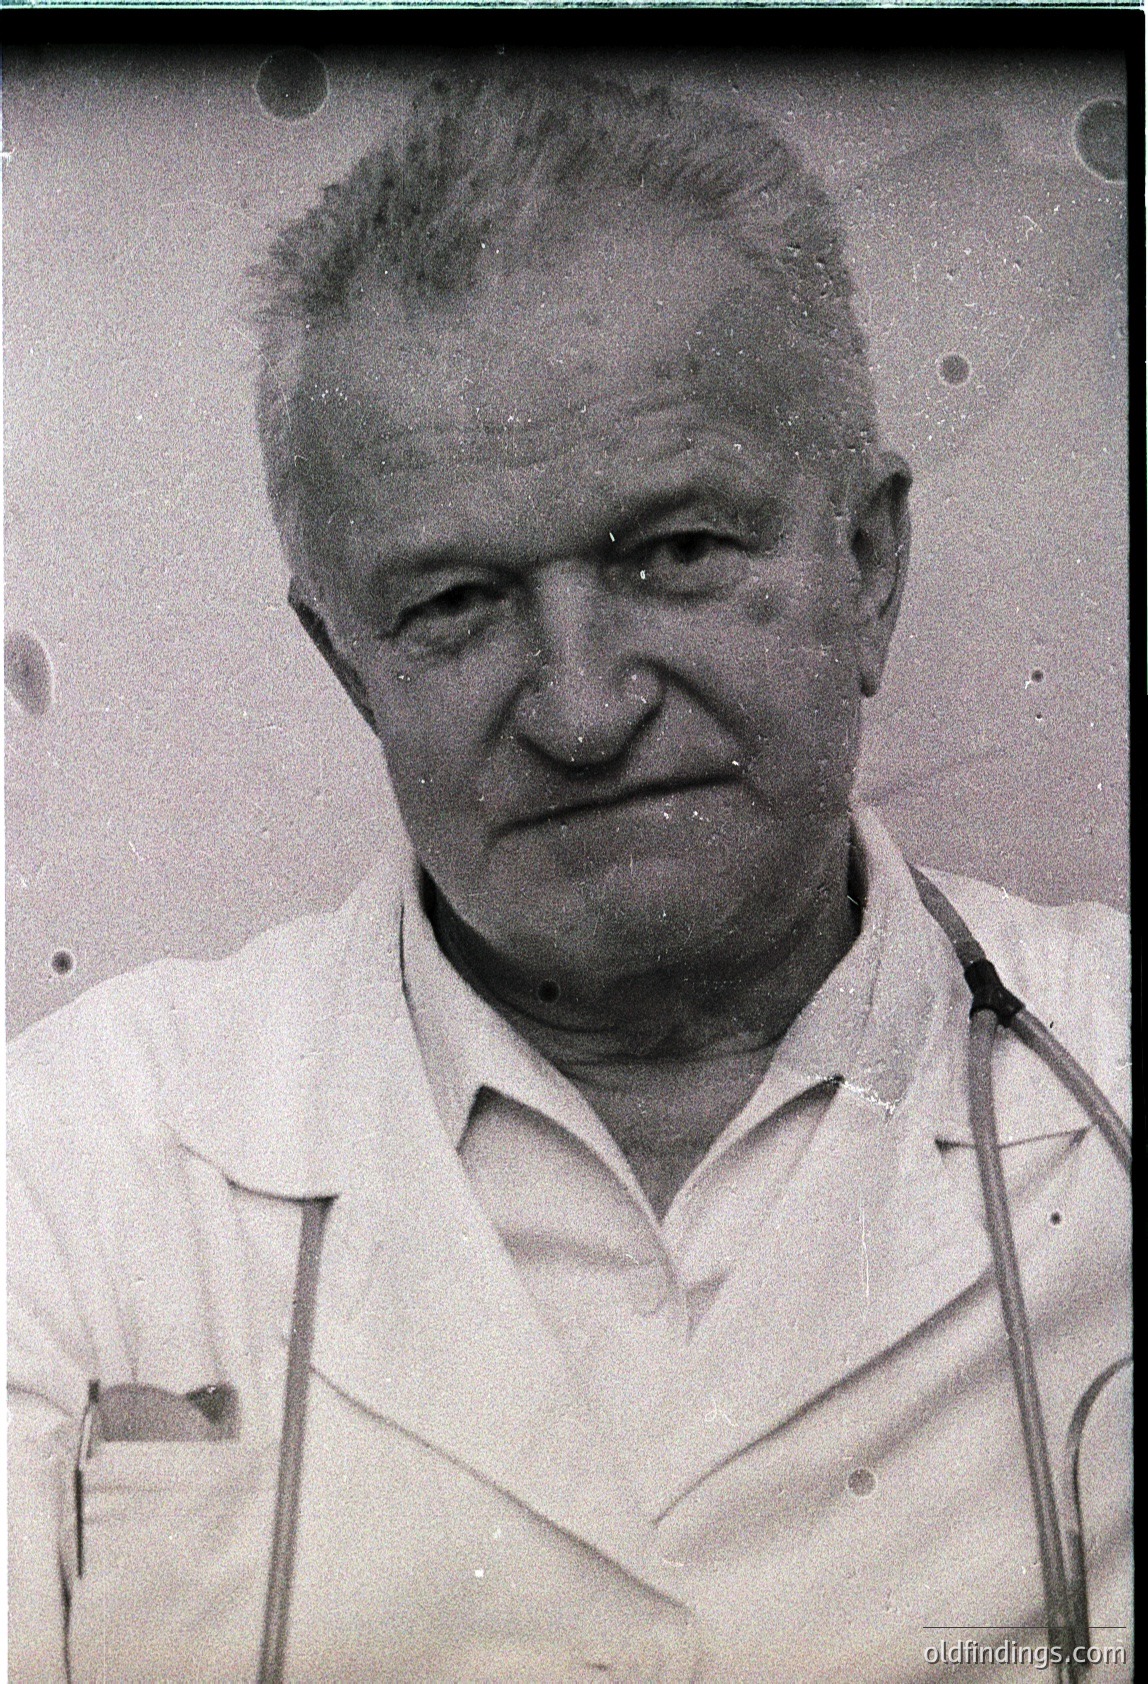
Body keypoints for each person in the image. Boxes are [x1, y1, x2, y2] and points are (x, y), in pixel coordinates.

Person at [7, 65, 1130, 1684]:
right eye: (456, 600)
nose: (586, 706)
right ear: (347, 663)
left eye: (674, 551)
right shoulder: (65, 1171)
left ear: (869, 568)